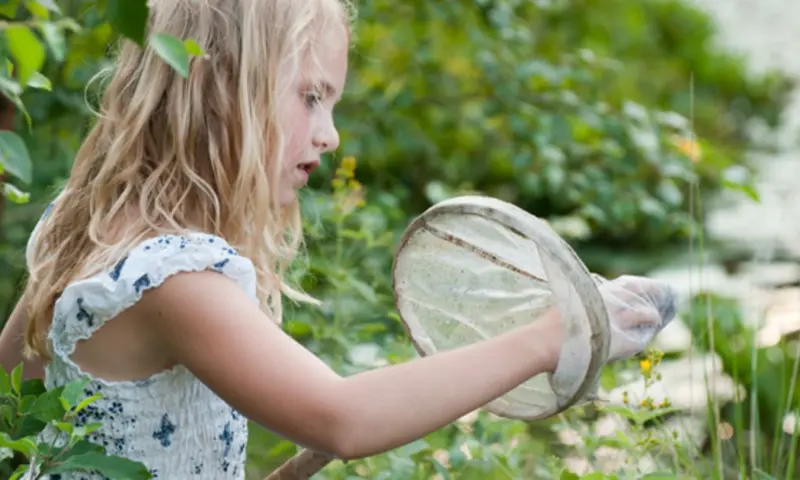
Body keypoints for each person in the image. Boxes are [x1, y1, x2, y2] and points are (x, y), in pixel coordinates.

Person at [0, 0, 676, 478]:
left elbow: (13, 405)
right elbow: (341, 419)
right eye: (311, 97)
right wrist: (548, 336)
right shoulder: (172, 280)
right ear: (218, 90)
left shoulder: (83, 225)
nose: (331, 134)